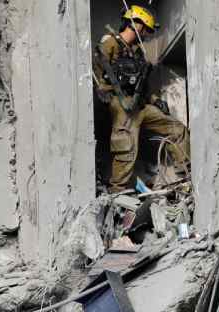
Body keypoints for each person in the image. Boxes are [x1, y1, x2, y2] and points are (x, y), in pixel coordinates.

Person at [92, 5, 191, 192]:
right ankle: (118, 192)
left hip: (139, 104)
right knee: (126, 144)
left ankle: (184, 176)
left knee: (177, 130)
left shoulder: (136, 53)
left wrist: (155, 100)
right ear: (137, 25)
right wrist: (103, 89)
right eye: (146, 29)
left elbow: (142, 87)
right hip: (121, 103)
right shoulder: (110, 43)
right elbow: (98, 69)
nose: (146, 35)